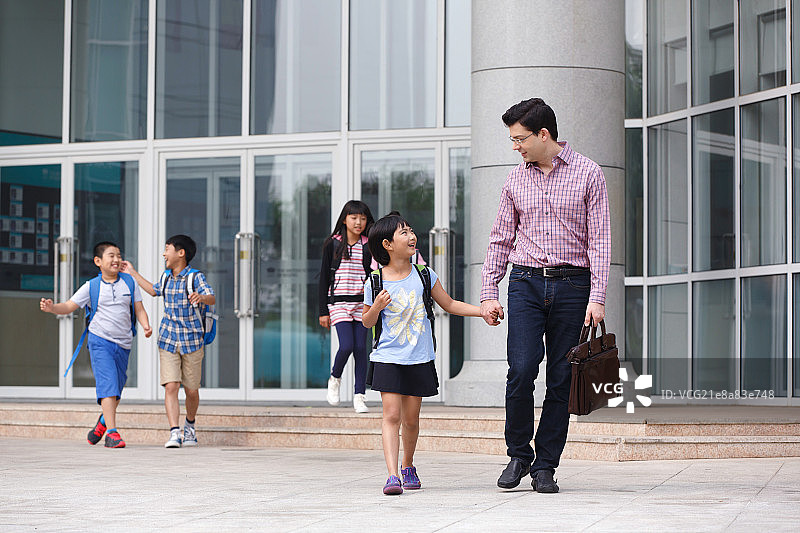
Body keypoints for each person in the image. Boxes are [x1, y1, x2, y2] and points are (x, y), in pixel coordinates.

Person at [481, 98, 610, 493]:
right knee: (521, 370)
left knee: (560, 378)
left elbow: (600, 240)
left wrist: (598, 296)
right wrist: (489, 290)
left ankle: (545, 466)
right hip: (525, 283)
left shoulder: (589, 173)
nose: (515, 146)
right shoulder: (514, 180)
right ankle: (518, 454)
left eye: (520, 139)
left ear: (543, 134)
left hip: (573, 286)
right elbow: (500, 238)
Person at [362, 213, 497, 495]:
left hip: (419, 358)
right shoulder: (375, 281)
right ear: (387, 244)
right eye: (404, 233)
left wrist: (481, 311)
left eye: (411, 230)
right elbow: (367, 321)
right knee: (391, 415)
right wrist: (376, 306)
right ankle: (392, 475)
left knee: (411, 420)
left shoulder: (424, 274)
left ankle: (408, 464)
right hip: (387, 357)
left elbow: (449, 304)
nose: (412, 237)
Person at [39, 241, 152, 448]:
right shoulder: (91, 286)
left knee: (116, 389)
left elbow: (139, 308)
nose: (116, 259)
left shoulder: (129, 283)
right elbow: (69, 306)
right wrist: (52, 308)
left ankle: (102, 423)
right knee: (108, 385)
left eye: (118, 255)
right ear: (98, 261)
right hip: (100, 341)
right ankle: (112, 433)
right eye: (111, 255)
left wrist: (145, 325)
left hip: (124, 344)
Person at [122, 235, 215, 448]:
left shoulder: (195, 278)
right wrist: (133, 273)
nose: (164, 254)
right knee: (171, 386)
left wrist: (201, 298)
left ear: (180, 253)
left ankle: (190, 425)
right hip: (168, 339)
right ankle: (175, 432)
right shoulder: (166, 277)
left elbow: (212, 297)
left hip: (192, 341)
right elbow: (154, 290)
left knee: (191, 390)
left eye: (167, 249)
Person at [318, 200, 375, 413]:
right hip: (338, 303)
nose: (359, 222)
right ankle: (335, 377)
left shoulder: (369, 244)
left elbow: (373, 276)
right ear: (345, 219)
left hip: (362, 303)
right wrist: (323, 311)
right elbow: (323, 279)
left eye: (363, 218)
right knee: (347, 346)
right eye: (354, 218)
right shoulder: (332, 243)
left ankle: (360, 395)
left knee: (361, 349)